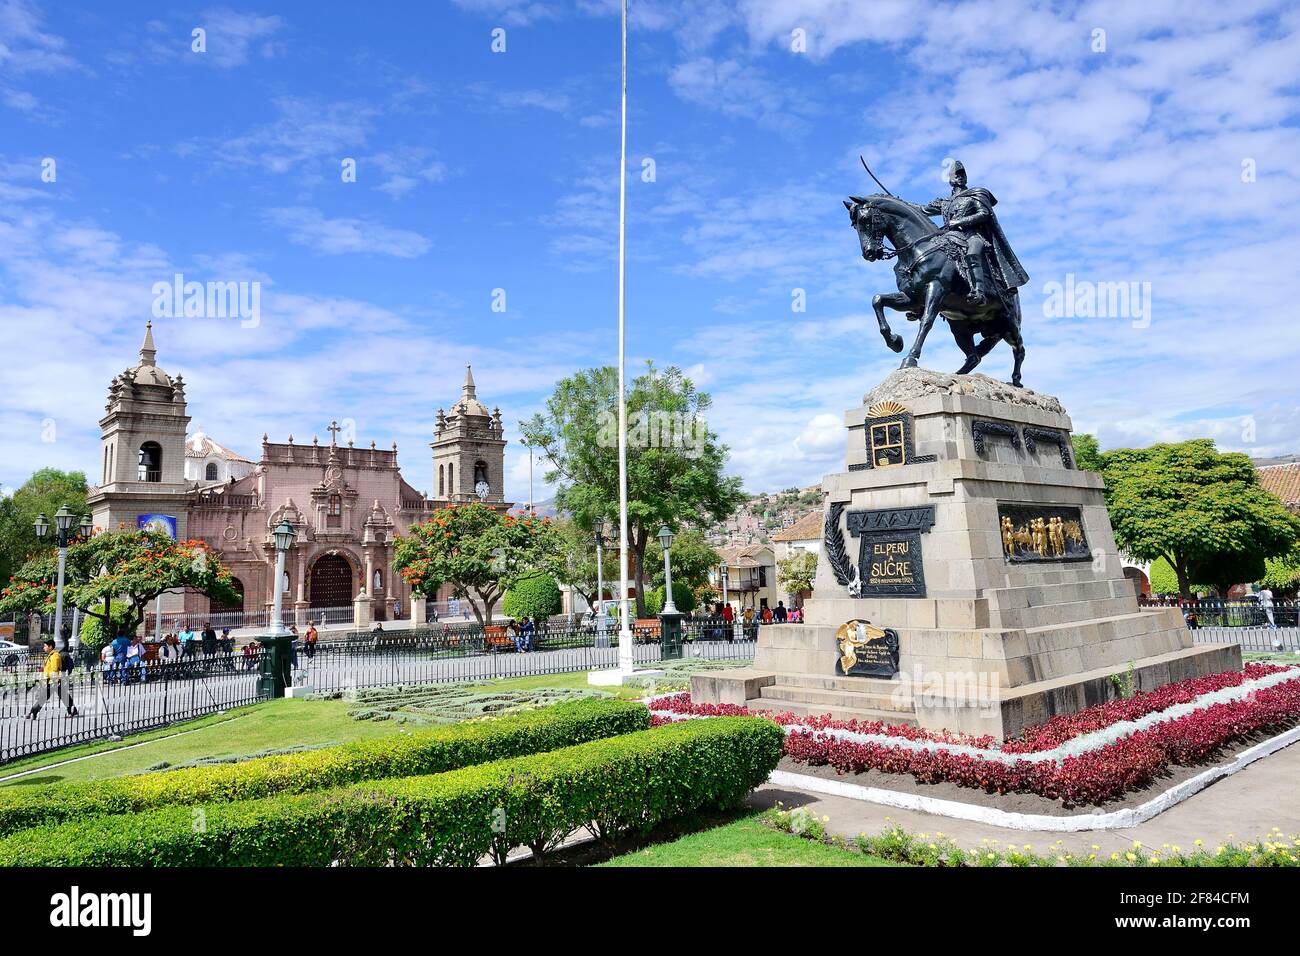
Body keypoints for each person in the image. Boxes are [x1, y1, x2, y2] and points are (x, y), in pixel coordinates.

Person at [27, 639, 78, 719]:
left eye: (45, 646)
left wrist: (52, 681)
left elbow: (55, 669)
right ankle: (73, 710)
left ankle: (32, 712)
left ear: (50, 647)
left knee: (44, 697)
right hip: (53, 681)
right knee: (64, 696)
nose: (44, 648)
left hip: (53, 681)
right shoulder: (51, 655)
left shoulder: (55, 656)